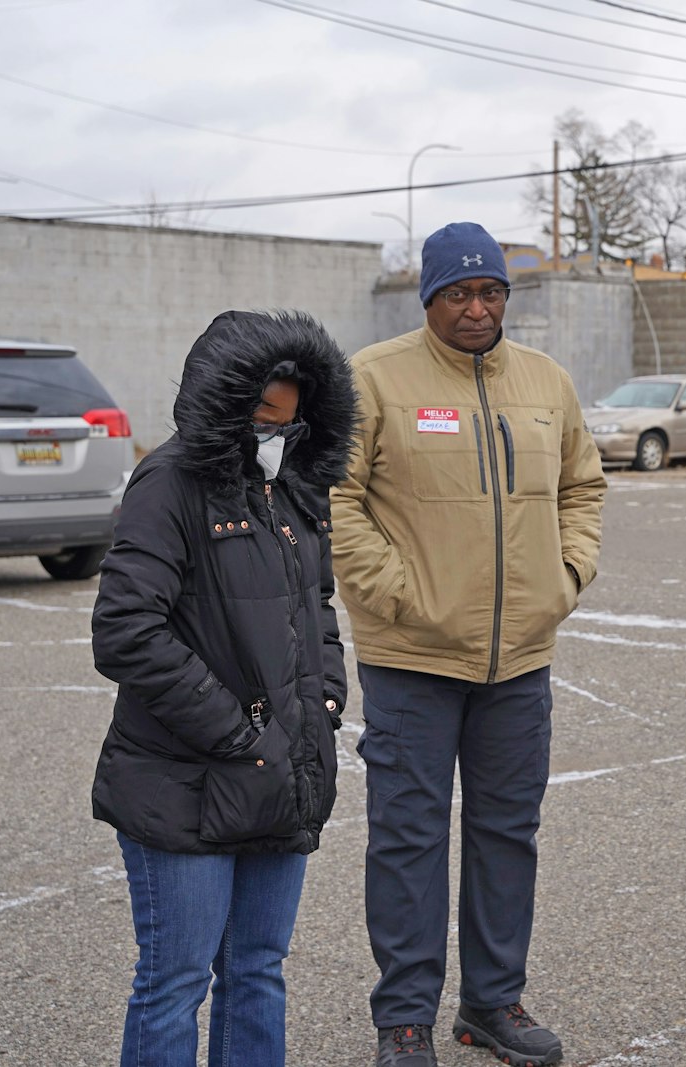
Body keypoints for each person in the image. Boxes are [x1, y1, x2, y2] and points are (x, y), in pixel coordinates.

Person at [331, 222, 606, 1067]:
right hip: (410, 658)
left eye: (491, 292)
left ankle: (492, 1001)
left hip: (519, 659)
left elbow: (582, 486)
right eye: (460, 293)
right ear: (430, 298)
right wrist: (401, 597)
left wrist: (564, 576)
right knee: (408, 836)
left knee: (506, 831)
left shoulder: (545, 382)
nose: (478, 308)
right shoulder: (373, 378)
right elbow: (338, 502)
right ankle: (405, 1018)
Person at [91, 309, 359, 1067]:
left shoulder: (297, 485)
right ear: (224, 405)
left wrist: (326, 701)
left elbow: (318, 607)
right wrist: (240, 733)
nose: (276, 435)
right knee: (175, 981)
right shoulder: (169, 482)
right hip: (184, 783)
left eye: (291, 420)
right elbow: (125, 631)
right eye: (263, 420)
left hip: (281, 777)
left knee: (257, 972)